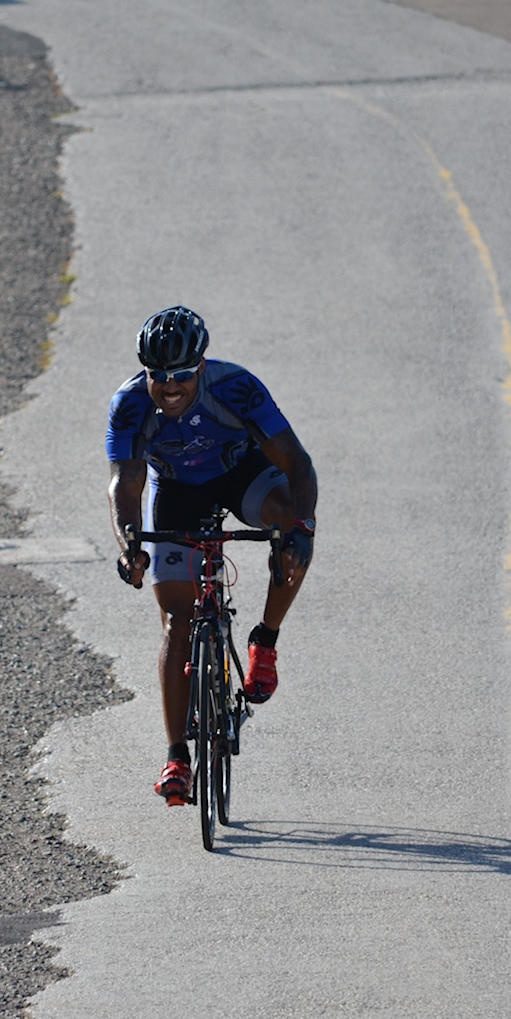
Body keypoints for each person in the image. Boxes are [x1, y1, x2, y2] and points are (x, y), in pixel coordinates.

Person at [106, 306, 317, 806]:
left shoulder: (236, 387)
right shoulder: (129, 405)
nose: (170, 386)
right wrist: (131, 546)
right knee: (178, 623)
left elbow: (297, 462)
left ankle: (264, 642)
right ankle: (176, 756)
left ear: (200, 366)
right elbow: (126, 482)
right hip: (176, 490)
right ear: (146, 373)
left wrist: (301, 530)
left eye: (181, 374)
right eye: (159, 376)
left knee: (289, 526)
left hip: (241, 473)